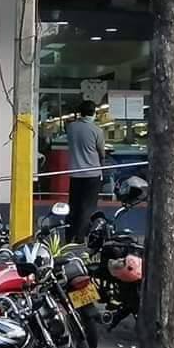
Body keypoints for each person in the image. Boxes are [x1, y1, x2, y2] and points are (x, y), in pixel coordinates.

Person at [66, 100, 106, 242]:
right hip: (92, 174)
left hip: (75, 173)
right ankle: (80, 237)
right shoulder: (97, 130)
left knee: (74, 206)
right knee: (87, 207)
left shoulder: (71, 127)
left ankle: (69, 235)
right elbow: (102, 152)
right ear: (94, 113)